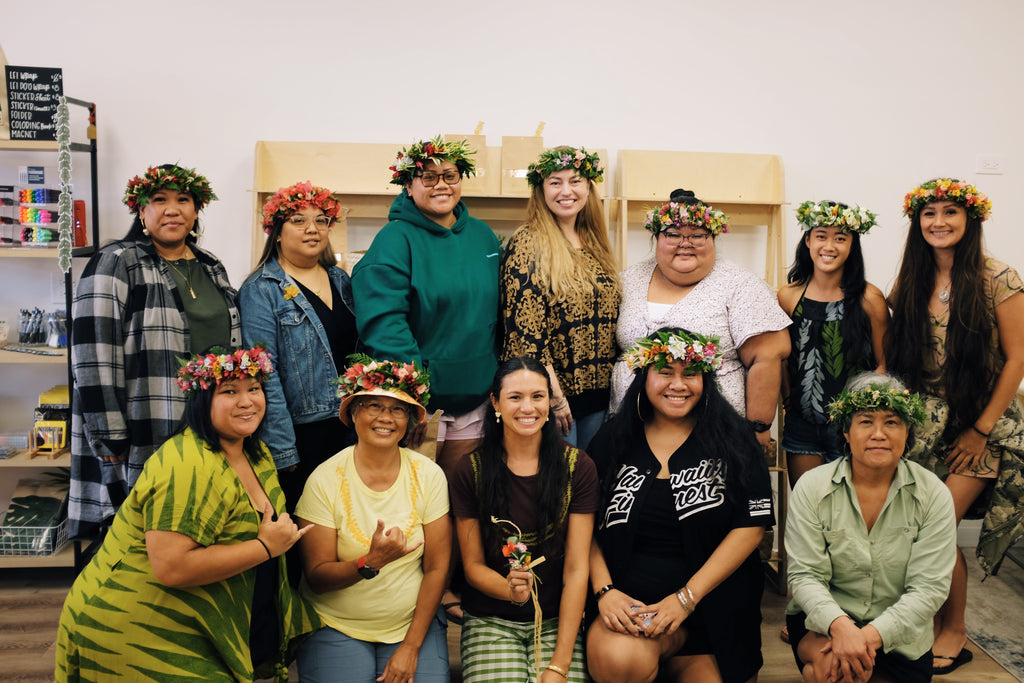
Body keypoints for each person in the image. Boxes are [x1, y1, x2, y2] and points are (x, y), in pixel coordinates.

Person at [56, 347, 320, 683]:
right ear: (200, 400)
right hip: (133, 625)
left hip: (195, 622)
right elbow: (172, 567)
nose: (247, 401)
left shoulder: (256, 451)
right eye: (229, 391)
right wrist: (266, 548)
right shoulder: (188, 464)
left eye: (254, 388)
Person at [886, 178, 1024, 675]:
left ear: (971, 220)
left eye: (950, 212)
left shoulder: (999, 277)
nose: (939, 222)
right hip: (922, 421)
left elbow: (1017, 358)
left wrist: (981, 429)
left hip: (981, 420)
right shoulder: (910, 280)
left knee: (938, 525)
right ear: (916, 222)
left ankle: (956, 629)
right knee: (910, 525)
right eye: (929, 214)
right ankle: (916, 619)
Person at [587, 328, 774, 683]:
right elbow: (584, 525)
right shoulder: (614, 438)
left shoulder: (734, 439)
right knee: (619, 660)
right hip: (630, 611)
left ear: (706, 379)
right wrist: (605, 592)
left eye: (690, 373)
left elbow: (751, 526)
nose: (679, 384)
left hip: (708, 613)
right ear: (644, 376)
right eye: (665, 372)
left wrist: (685, 599)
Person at [69, 164, 240, 538]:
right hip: (147, 423)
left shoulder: (212, 266)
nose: (172, 209)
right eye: (159, 200)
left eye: (183, 200)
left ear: (197, 211)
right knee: (144, 532)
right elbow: (91, 350)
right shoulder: (117, 261)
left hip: (210, 426)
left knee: (198, 528)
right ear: (141, 211)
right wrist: (108, 432)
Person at [786, 373, 957, 683]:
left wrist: (866, 638)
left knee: (852, 669)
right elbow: (804, 575)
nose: (879, 434)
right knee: (835, 673)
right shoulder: (812, 487)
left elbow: (929, 588)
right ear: (847, 433)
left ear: (908, 433)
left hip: (901, 635)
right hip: (826, 624)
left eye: (891, 422)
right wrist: (841, 627)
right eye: (866, 422)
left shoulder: (933, 494)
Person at [295, 356, 451, 683]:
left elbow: (438, 567)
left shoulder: (429, 475)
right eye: (373, 406)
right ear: (353, 414)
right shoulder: (324, 479)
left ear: (409, 421)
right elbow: (317, 577)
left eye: (397, 409)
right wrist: (370, 562)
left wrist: (411, 646)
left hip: (411, 624)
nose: (385, 417)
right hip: (337, 623)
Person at [352, 135, 501, 472]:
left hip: (477, 401)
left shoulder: (482, 236)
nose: (441, 186)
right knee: (420, 507)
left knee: (465, 502)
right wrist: (414, 396)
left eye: (450, 176)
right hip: (423, 411)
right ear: (408, 184)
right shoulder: (394, 241)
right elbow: (386, 326)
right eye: (429, 177)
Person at [450, 357, 599, 682]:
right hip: (491, 619)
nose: (528, 407)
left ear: (550, 401)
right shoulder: (470, 470)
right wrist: (509, 590)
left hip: (558, 620)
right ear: (496, 403)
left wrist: (559, 665)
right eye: (515, 397)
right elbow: (472, 565)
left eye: (537, 396)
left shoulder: (577, 467)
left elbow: (576, 569)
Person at [610, 189, 790, 451]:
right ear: (657, 237)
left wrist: (759, 428)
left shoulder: (740, 285)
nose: (686, 242)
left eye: (698, 235)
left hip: (713, 436)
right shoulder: (628, 280)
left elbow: (767, 357)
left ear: (714, 238)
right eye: (673, 234)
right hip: (631, 432)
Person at [239, 181, 358, 511]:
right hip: (302, 431)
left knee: (342, 519)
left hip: (349, 425)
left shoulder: (340, 280)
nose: (312, 229)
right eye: (298, 220)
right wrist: (282, 447)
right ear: (277, 231)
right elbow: (264, 373)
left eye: (321, 220)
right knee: (304, 524)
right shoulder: (262, 289)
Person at [500, 147, 620, 449]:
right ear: (541, 190)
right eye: (555, 182)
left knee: (588, 483)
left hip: (599, 396)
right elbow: (525, 333)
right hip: (556, 399)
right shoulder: (529, 242)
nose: (566, 191)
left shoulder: (594, 241)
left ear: (589, 187)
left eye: (575, 181)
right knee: (557, 486)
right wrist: (554, 397)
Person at [778, 200, 890, 487]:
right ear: (807, 240)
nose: (830, 245)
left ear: (853, 245)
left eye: (841, 238)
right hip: (802, 425)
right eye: (821, 236)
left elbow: (884, 364)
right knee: (807, 507)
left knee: (850, 511)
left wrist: (865, 416)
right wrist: (789, 400)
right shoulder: (788, 297)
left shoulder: (869, 298)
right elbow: (782, 357)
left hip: (855, 426)